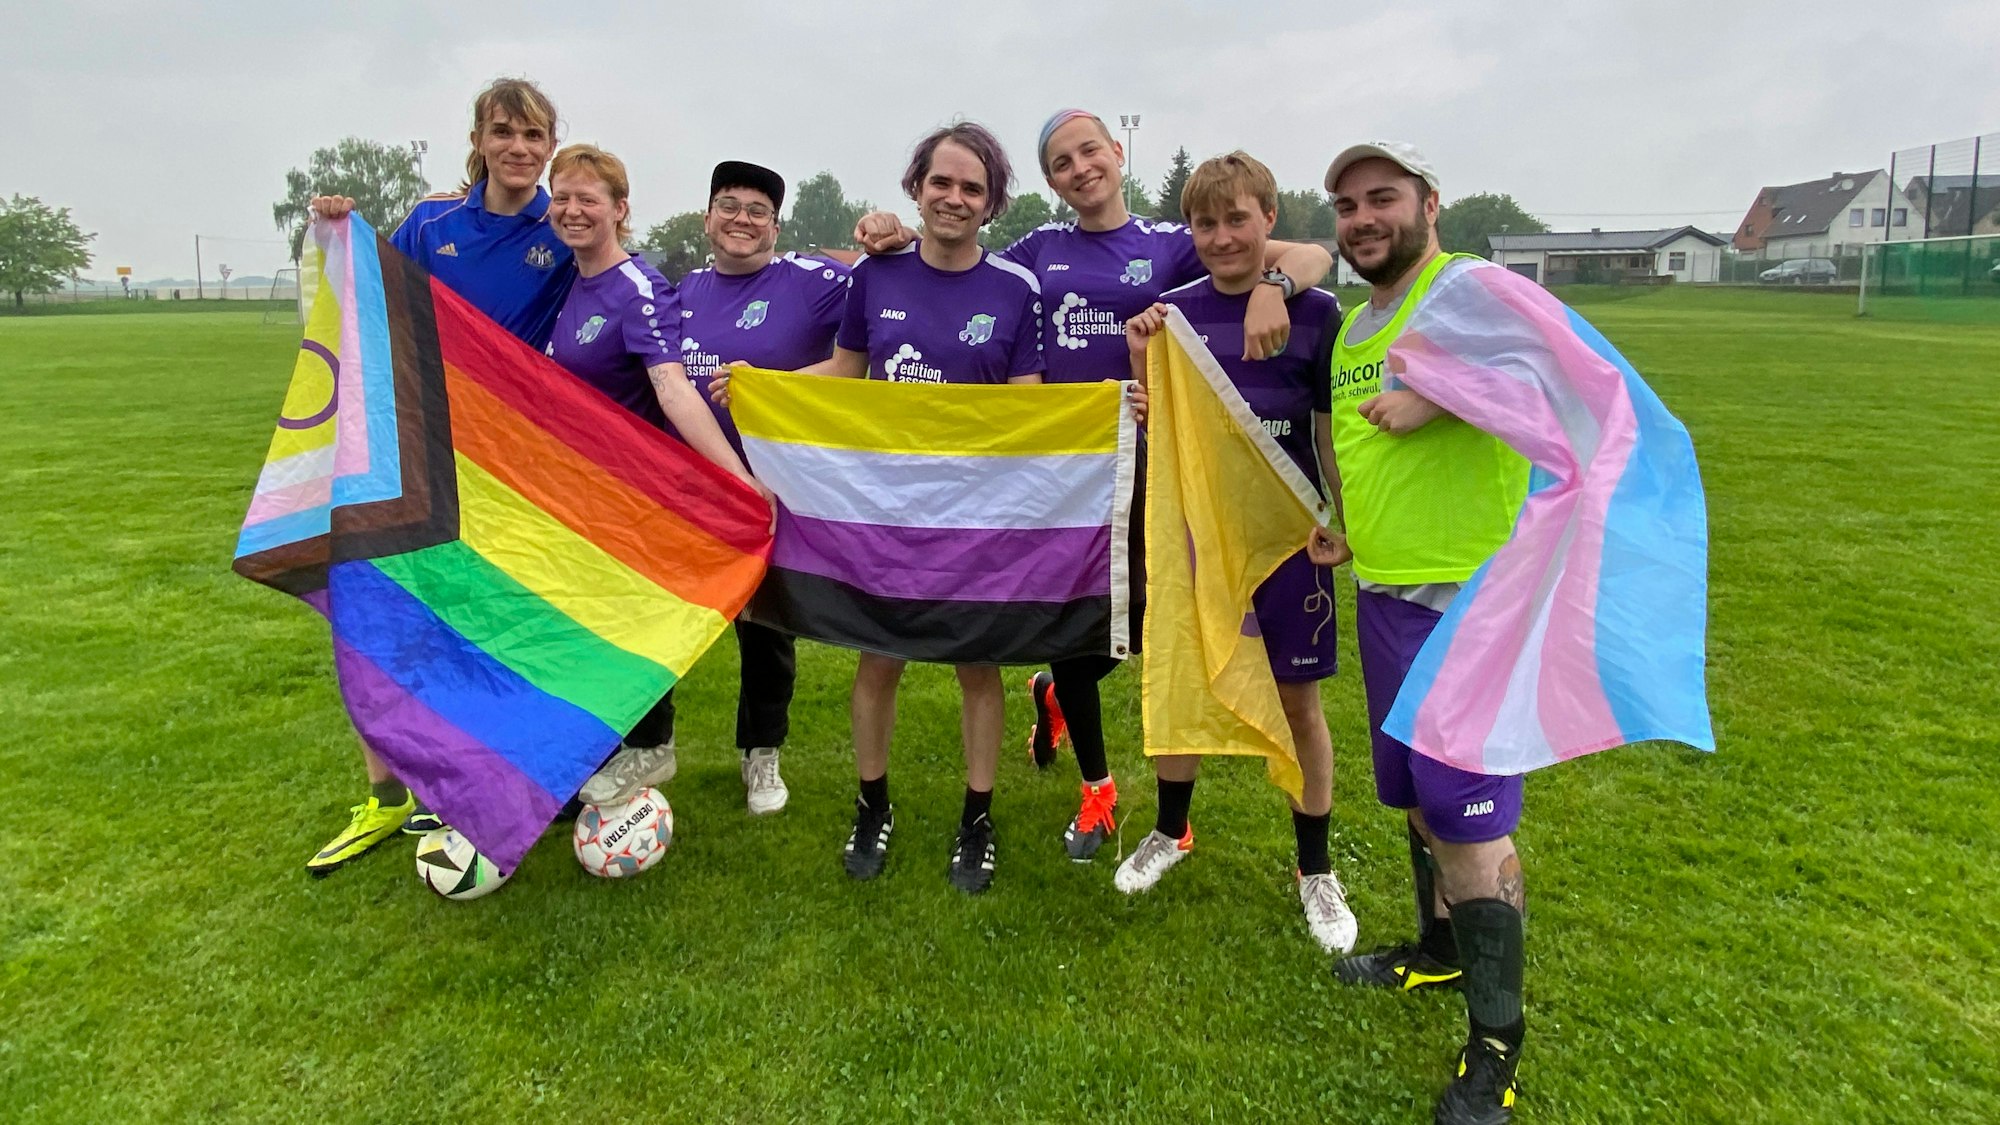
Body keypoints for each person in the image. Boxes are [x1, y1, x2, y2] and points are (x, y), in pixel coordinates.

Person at [854, 109, 1335, 864]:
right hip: (1069, 478)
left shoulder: (1173, 242)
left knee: (1155, 626)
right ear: (1050, 181)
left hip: (1162, 469)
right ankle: (1098, 787)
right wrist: (892, 232)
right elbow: (955, 257)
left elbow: (1310, 253)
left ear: (1116, 152)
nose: (1080, 168)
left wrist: (1274, 285)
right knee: (1077, 633)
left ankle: (1061, 705)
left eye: (1089, 151)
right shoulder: (1038, 251)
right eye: (1061, 162)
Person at [722, 122, 1044, 894]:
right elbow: (845, 368)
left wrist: (1107, 411)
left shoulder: (1015, 289)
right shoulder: (877, 275)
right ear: (916, 188)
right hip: (887, 508)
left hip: (973, 513)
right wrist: (764, 388)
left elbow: (1031, 410)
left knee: (979, 667)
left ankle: (977, 816)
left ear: (992, 201)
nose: (955, 198)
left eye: (972, 188)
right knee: (879, 659)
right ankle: (872, 804)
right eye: (942, 182)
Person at [1307, 141, 1532, 1125]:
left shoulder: (1467, 288)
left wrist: (1438, 394)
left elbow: (1551, 372)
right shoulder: (1357, 324)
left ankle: (1496, 1051)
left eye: (1382, 198)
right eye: (1346, 205)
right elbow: (1363, 447)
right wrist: (1348, 528)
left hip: (1471, 602)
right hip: (1388, 596)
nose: (1362, 218)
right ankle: (1436, 952)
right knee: (1411, 795)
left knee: (1470, 823)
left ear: (1428, 203)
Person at [303, 77, 576, 875]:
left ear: (551, 146)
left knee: (492, 623)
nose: (519, 148)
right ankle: (388, 793)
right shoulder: (431, 223)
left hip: (509, 465)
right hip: (415, 448)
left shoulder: (563, 230)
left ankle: (474, 777)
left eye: (534, 135)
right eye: (504, 132)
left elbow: (627, 284)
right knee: (388, 613)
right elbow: (366, 294)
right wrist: (332, 232)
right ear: (480, 139)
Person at [1118, 152, 1356, 955]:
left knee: (1298, 703)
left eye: (1236, 220)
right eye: (1205, 223)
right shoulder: (1170, 318)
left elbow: (1327, 431)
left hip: (1289, 540)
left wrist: (1345, 518)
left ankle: (1315, 867)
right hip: (1197, 541)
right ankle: (1171, 830)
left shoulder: (1316, 313)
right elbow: (1165, 436)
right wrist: (1139, 367)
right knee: (1184, 676)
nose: (1221, 237)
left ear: (1268, 220)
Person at [539, 144, 774, 812]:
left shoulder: (636, 288)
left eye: (589, 199)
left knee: (635, 626)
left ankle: (659, 746)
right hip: (569, 495)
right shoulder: (563, 278)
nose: (574, 210)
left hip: (626, 499)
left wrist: (739, 479)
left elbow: (672, 388)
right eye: (563, 197)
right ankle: (604, 750)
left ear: (620, 209)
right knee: (584, 629)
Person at [671, 160, 851, 814]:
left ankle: (762, 752)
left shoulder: (813, 282)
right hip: (687, 488)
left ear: (776, 226)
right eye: (729, 205)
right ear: (707, 218)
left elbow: (891, 291)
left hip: (770, 490)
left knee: (766, 627)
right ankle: (649, 744)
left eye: (757, 210)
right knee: (663, 617)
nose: (741, 219)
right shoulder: (679, 292)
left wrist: (893, 236)